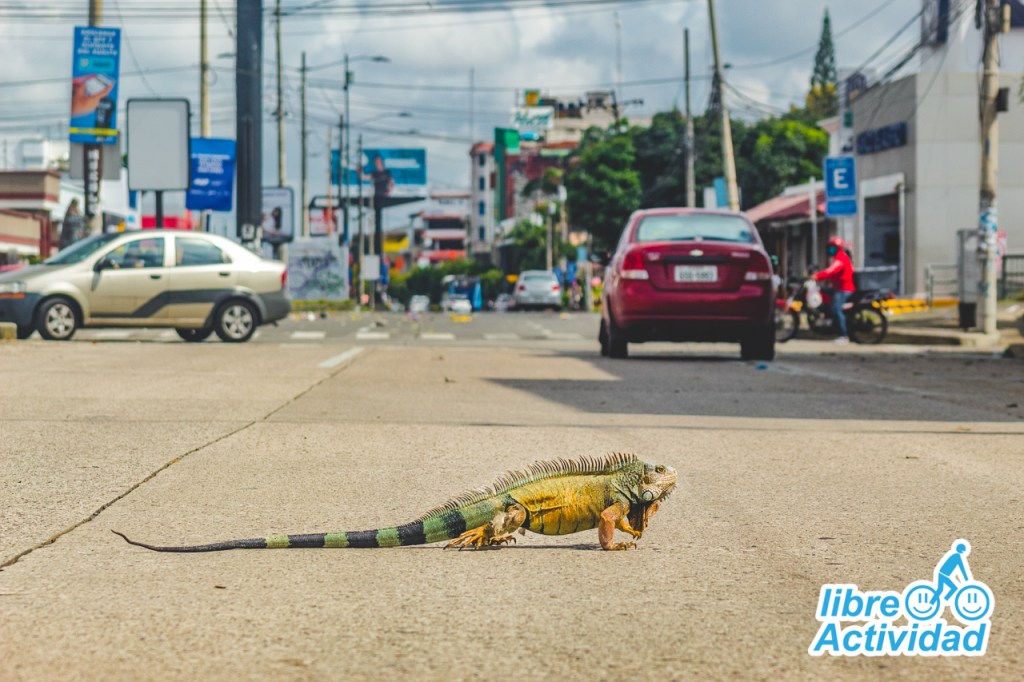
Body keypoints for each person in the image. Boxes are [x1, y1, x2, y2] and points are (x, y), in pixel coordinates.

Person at [813, 236, 855, 344]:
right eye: (830, 247)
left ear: (839, 248)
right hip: (837, 287)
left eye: (833, 247)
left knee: (836, 309)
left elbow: (831, 271)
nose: (831, 249)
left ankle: (844, 336)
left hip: (844, 289)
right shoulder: (836, 258)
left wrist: (817, 276)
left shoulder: (841, 258)